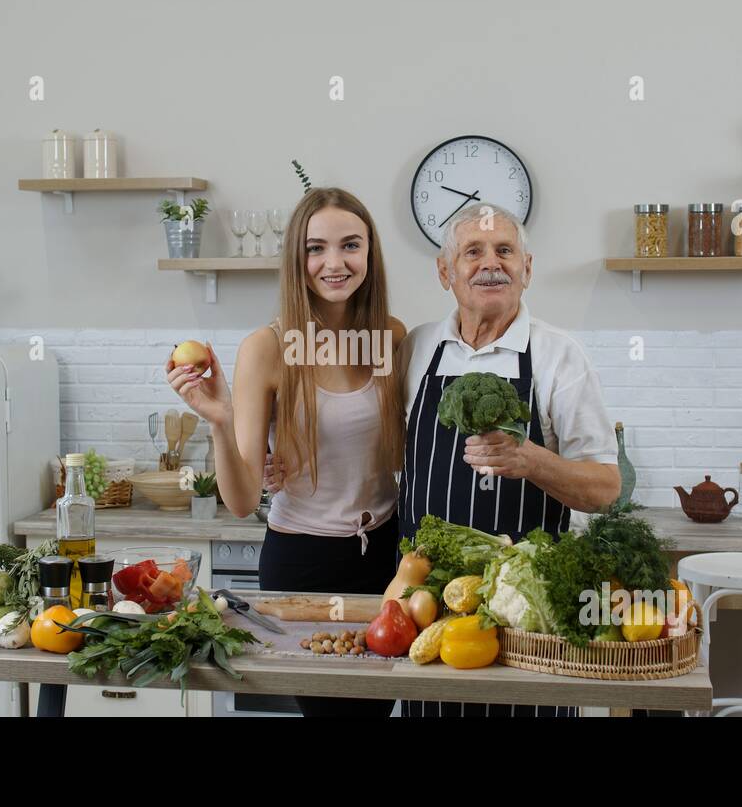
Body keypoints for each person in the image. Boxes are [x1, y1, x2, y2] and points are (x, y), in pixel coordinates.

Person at [166, 187, 406, 718]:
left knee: (375, 711)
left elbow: (400, 450)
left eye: (350, 245)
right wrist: (221, 423)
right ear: (297, 258)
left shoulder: (392, 337)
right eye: (315, 248)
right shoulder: (267, 348)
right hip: (305, 562)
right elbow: (242, 497)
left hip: (387, 558)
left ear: (370, 253)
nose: (334, 263)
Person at [396, 202, 620, 717]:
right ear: (444, 272)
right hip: (428, 609)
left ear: (527, 268)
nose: (490, 263)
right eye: (472, 251)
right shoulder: (417, 348)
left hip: (529, 618)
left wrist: (532, 460)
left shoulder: (560, 356)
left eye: (504, 251)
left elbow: (606, 488)